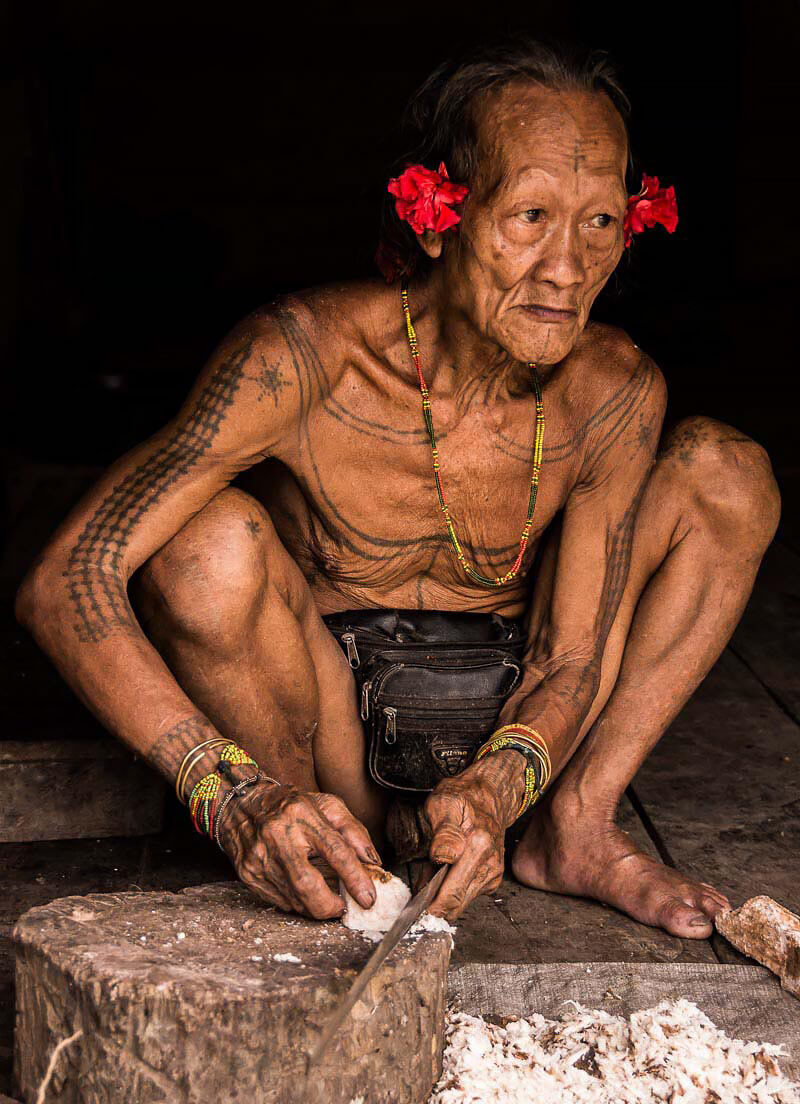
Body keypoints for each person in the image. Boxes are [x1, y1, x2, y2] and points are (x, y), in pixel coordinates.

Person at [17, 38, 779, 937]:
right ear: (436, 219)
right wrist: (232, 798)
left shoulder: (614, 391)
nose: (568, 270)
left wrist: (498, 787)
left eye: (600, 223)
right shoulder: (301, 358)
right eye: (530, 216)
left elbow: (573, 658)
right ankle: (314, 842)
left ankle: (571, 829)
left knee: (728, 473)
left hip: (516, 749)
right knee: (203, 544)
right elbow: (66, 578)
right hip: (321, 735)